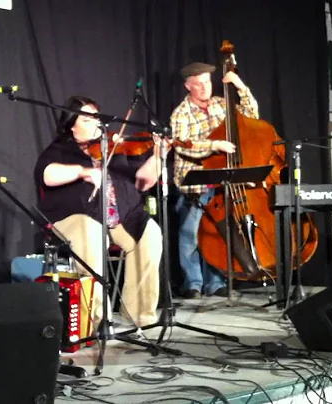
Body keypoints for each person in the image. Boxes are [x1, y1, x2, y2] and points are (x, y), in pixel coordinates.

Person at [34, 95, 163, 328]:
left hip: (119, 217)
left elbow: (144, 182)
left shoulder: (115, 148)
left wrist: (158, 155)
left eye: (96, 117)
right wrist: (82, 172)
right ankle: (95, 321)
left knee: (150, 234)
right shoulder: (61, 149)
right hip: (74, 217)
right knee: (91, 232)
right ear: (72, 124)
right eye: (86, 119)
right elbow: (47, 174)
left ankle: (140, 314)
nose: (95, 123)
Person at [171, 62, 259, 298]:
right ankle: (192, 283)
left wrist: (240, 85)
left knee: (217, 234)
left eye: (207, 82)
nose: (203, 88)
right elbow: (183, 146)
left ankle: (215, 282)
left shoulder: (222, 104)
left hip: (222, 183)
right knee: (190, 234)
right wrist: (214, 145)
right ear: (188, 86)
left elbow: (252, 116)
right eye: (198, 84)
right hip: (194, 183)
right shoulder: (181, 113)